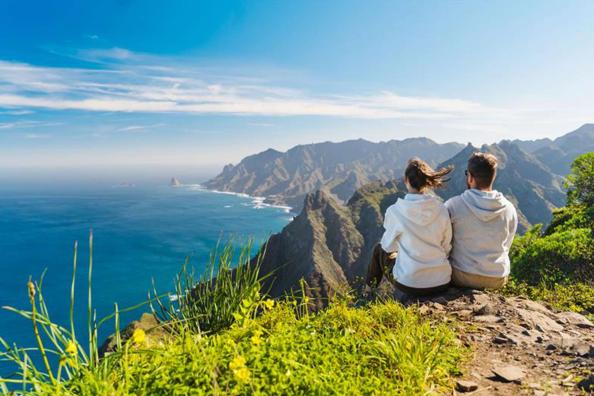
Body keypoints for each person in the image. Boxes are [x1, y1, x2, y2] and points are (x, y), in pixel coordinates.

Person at [365, 158, 453, 296]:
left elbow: (387, 247)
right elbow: (447, 246)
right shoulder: (441, 209)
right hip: (441, 281)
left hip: (410, 283)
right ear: (428, 182)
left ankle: (367, 293)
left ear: (406, 180)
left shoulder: (394, 211)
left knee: (378, 249)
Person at [445, 152, 518, 289]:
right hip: (497, 279)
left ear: (470, 177)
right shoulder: (509, 209)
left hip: (462, 276)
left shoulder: (453, 205)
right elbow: (507, 245)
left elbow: (443, 242)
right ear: (493, 176)